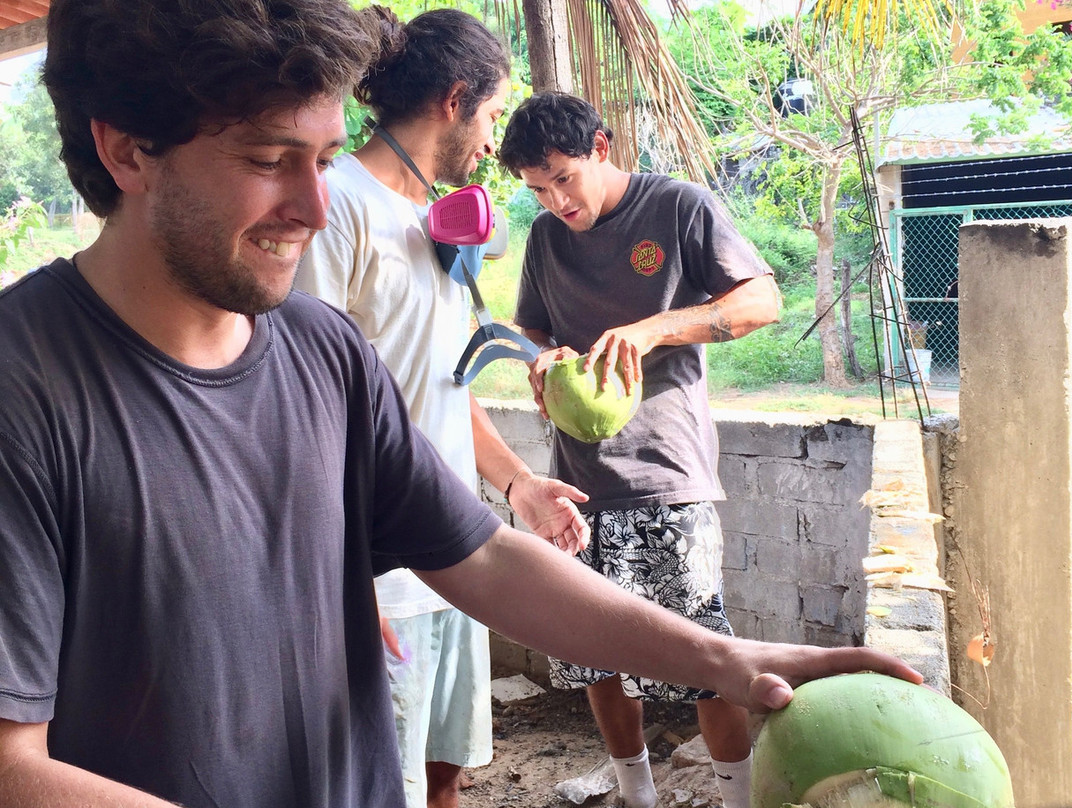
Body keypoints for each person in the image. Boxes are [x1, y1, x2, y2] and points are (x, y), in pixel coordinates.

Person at [0, 2, 923, 806]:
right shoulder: (25, 392)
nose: (315, 208)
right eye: (271, 159)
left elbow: (479, 556)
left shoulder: (322, 352)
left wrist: (724, 658)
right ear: (127, 150)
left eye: (324, 159)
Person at [294, 9, 589, 807]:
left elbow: (439, 383)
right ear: (455, 101)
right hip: (379, 576)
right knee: (379, 786)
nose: (494, 141)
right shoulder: (336, 207)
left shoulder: (435, 218)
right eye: (491, 115)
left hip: (454, 557)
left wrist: (517, 484)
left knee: (445, 775)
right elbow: (300, 410)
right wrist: (339, 580)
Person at [498, 92, 784, 808]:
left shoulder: (679, 207)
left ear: (600, 147)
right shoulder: (546, 238)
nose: (556, 201)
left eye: (564, 178)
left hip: (667, 476)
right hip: (577, 485)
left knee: (704, 660)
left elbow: (761, 301)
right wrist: (541, 358)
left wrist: (654, 328)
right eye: (538, 189)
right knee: (594, 659)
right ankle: (637, 795)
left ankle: (739, 800)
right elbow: (530, 329)